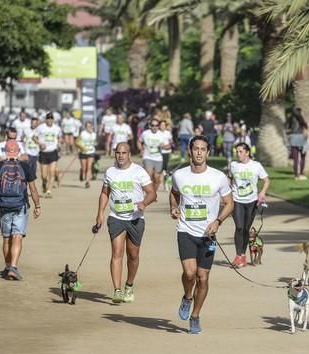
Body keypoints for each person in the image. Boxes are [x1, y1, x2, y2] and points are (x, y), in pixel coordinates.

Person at [170, 136, 233, 334]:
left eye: (203, 149)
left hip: (208, 235)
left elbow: (229, 203)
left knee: (203, 277)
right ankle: (187, 297)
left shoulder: (218, 177)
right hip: (186, 230)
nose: (199, 152)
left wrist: (218, 221)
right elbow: (174, 193)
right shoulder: (179, 175)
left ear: (208, 152)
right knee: (190, 274)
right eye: (195, 148)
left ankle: (195, 316)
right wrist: (173, 207)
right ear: (190, 151)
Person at [95, 143, 157, 304]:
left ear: (129, 154)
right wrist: (100, 214)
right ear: (115, 154)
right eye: (118, 153)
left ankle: (129, 285)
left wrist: (144, 203)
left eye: (124, 153)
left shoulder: (138, 171)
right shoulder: (110, 172)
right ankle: (117, 290)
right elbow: (104, 193)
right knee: (117, 253)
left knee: (133, 255)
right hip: (116, 217)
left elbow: (152, 192)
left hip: (135, 218)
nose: (120, 156)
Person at [0, 140, 41, 280]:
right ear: (18, 152)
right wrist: (37, 206)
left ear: (5, 151)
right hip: (20, 205)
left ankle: (7, 267)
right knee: (17, 236)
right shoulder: (25, 166)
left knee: (6, 238)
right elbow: (33, 189)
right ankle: (14, 267)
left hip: (3, 206)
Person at [228, 143, 270, 268]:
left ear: (247, 152)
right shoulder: (233, 165)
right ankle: (238, 256)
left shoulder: (256, 166)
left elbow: (267, 180)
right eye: (237, 151)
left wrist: (262, 192)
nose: (238, 154)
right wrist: (226, 194)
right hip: (237, 200)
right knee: (239, 227)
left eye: (241, 151)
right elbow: (229, 179)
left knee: (246, 229)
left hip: (251, 202)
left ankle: (243, 255)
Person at [33, 112, 62, 198]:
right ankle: (44, 183)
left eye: (51, 118)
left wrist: (59, 143)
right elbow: (34, 137)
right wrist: (40, 144)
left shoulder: (57, 128)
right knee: (43, 175)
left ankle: (49, 191)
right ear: (46, 119)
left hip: (53, 152)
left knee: (52, 173)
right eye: (48, 118)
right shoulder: (40, 128)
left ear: (53, 120)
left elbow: (60, 137)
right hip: (43, 153)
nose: (49, 120)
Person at [138, 118, 170, 191]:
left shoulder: (161, 135)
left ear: (158, 126)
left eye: (156, 125)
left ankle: (153, 193)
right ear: (150, 126)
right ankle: (147, 192)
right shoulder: (145, 133)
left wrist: (163, 146)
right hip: (147, 157)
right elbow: (139, 141)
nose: (154, 127)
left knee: (157, 178)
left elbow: (168, 146)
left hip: (158, 158)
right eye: (152, 125)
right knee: (149, 175)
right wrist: (141, 149)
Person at [287, 108, 308, 180]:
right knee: (303, 157)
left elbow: (287, 129)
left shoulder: (290, 119)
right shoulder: (301, 119)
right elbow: (306, 127)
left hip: (293, 138)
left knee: (295, 158)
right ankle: (301, 173)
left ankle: (296, 175)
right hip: (301, 137)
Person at [76, 121, 98, 188]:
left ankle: (87, 181)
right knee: (84, 168)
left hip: (91, 152)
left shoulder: (94, 134)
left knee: (89, 167)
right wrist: (81, 147)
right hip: (83, 153)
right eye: (87, 126)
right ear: (85, 127)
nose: (89, 128)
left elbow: (95, 142)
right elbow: (77, 142)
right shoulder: (82, 133)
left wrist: (95, 144)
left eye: (90, 126)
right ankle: (81, 171)